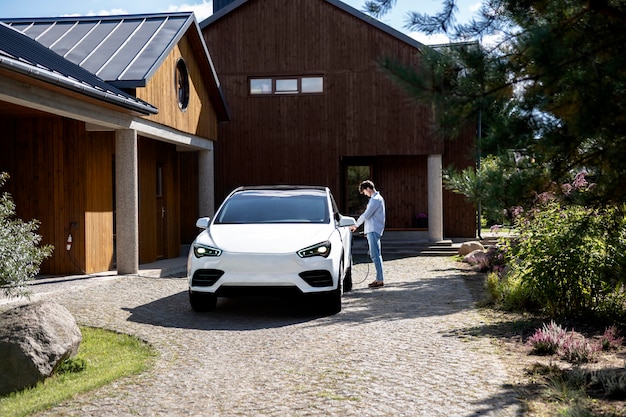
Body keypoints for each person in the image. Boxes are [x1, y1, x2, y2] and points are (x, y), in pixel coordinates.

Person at [350, 180, 385, 288]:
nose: (365, 194)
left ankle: (379, 279)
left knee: (375, 255)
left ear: (368, 189)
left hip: (373, 230)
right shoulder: (378, 199)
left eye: (364, 192)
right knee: (377, 255)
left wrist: (355, 225)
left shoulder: (375, 200)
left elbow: (366, 215)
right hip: (374, 229)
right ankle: (379, 278)